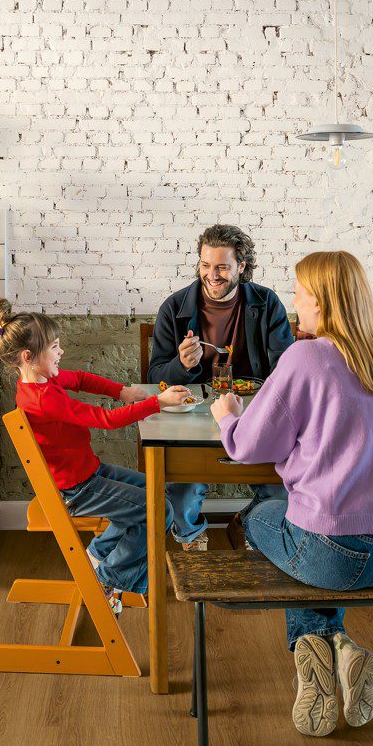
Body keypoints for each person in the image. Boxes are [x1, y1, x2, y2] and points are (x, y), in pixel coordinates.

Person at [210, 252, 373, 737]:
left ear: (323, 303)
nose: (295, 304)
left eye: (300, 295)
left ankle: (310, 643)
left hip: (335, 557)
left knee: (259, 515)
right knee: (307, 524)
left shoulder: (307, 357)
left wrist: (227, 416)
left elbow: (248, 446)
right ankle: (341, 647)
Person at [0, 299, 189, 615]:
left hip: (89, 473)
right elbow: (106, 420)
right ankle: (108, 579)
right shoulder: (44, 400)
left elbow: (81, 379)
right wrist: (158, 403)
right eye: (54, 347)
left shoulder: (43, 381)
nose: (61, 352)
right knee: (157, 509)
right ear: (28, 356)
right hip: (78, 490)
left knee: (157, 496)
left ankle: (98, 555)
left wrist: (122, 391)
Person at [148, 223, 294, 551]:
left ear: (242, 266)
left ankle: (249, 524)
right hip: (192, 417)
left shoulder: (267, 303)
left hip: (255, 414)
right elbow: (156, 377)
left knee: (281, 489)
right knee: (182, 488)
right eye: (205, 265)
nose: (211, 276)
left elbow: (286, 369)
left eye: (222, 267)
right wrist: (182, 365)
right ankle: (190, 537)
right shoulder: (174, 307)